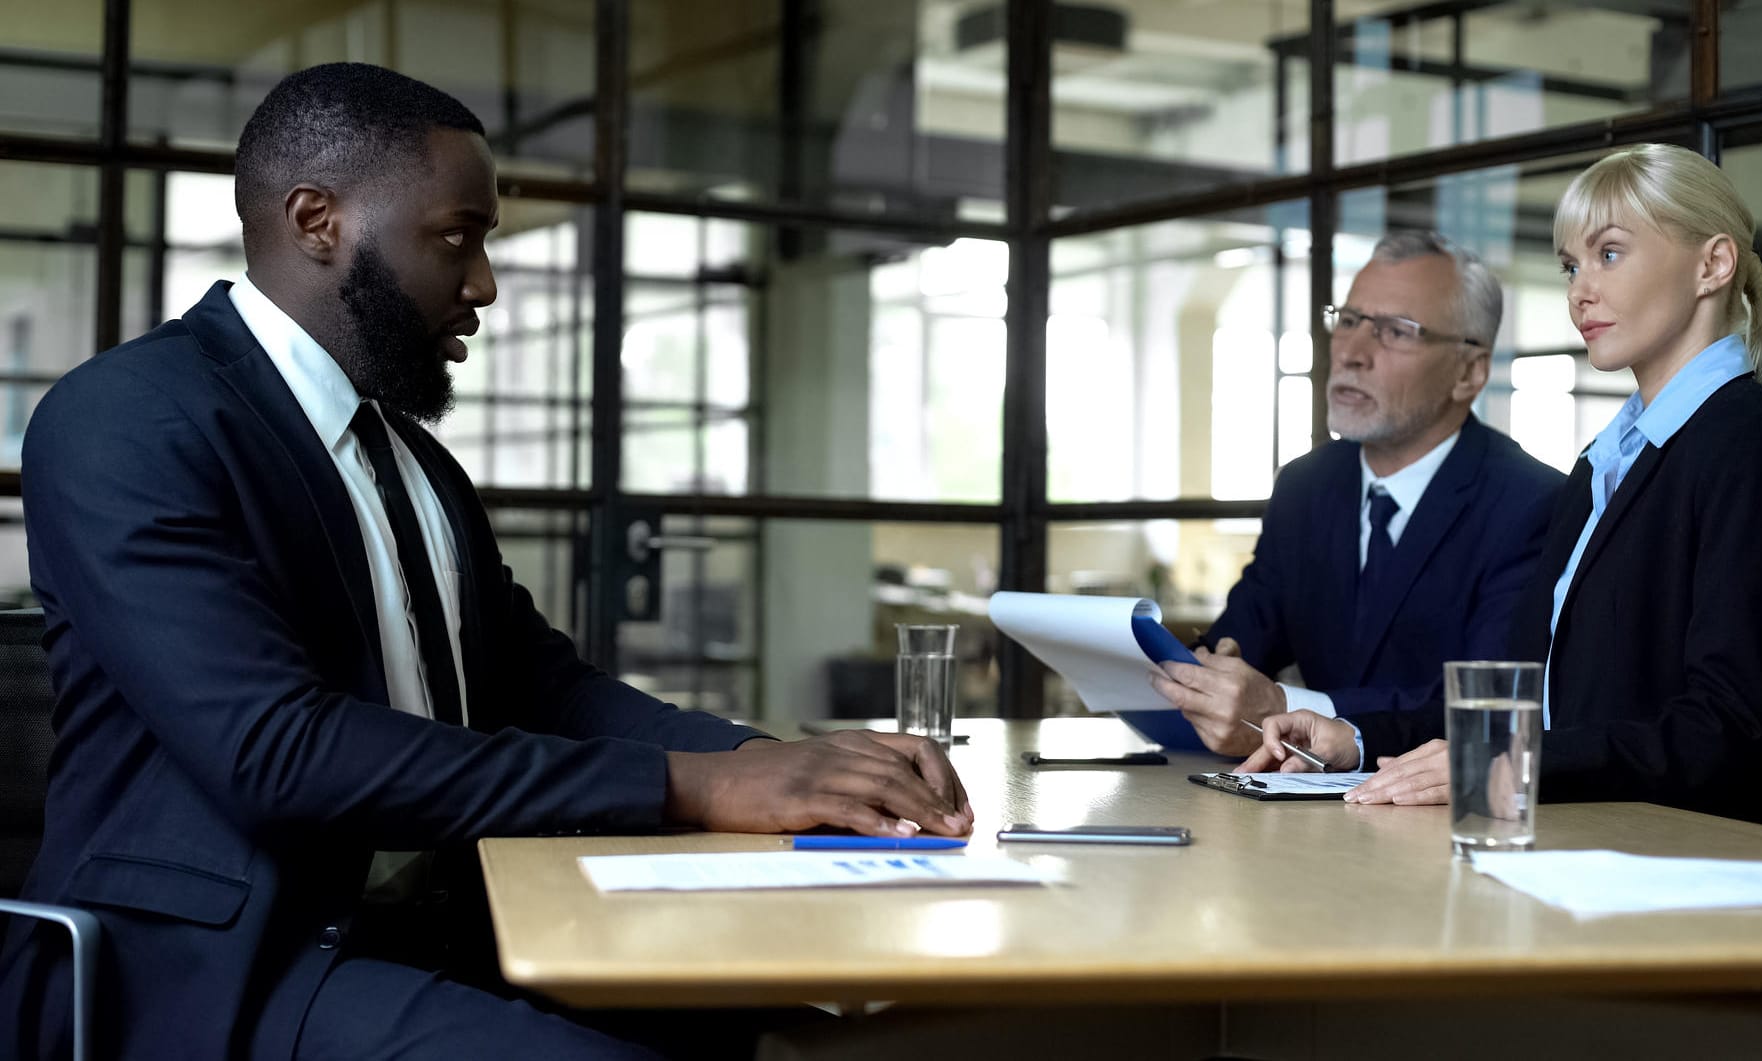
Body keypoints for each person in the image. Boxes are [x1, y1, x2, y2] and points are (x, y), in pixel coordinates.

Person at [0, 63, 971, 1061]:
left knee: (815, 1026)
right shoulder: (130, 419)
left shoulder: (411, 457)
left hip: (452, 924)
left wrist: (760, 758)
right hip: (216, 970)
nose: (484, 284)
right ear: (317, 220)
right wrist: (692, 786)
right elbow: (276, 750)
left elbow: (538, 681)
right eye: (456, 238)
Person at [1242, 144, 1762, 826]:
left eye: (1608, 254)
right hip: (1576, 838)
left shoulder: (1748, 451)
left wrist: (1517, 763)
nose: (1579, 290)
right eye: (1570, 265)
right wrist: (1355, 737)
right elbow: (1531, 695)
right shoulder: (1606, 459)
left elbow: (1731, 731)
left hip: (1672, 862)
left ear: (1712, 264)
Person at [1151, 232, 1563, 757]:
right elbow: (1237, 644)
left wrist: (1280, 706)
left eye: (1395, 331)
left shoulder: (1532, 503)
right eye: (1348, 321)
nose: (1352, 353)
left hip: (1435, 818)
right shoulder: (1305, 487)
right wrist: (1204, 675)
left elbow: (1485, 705)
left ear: (1469, 372)